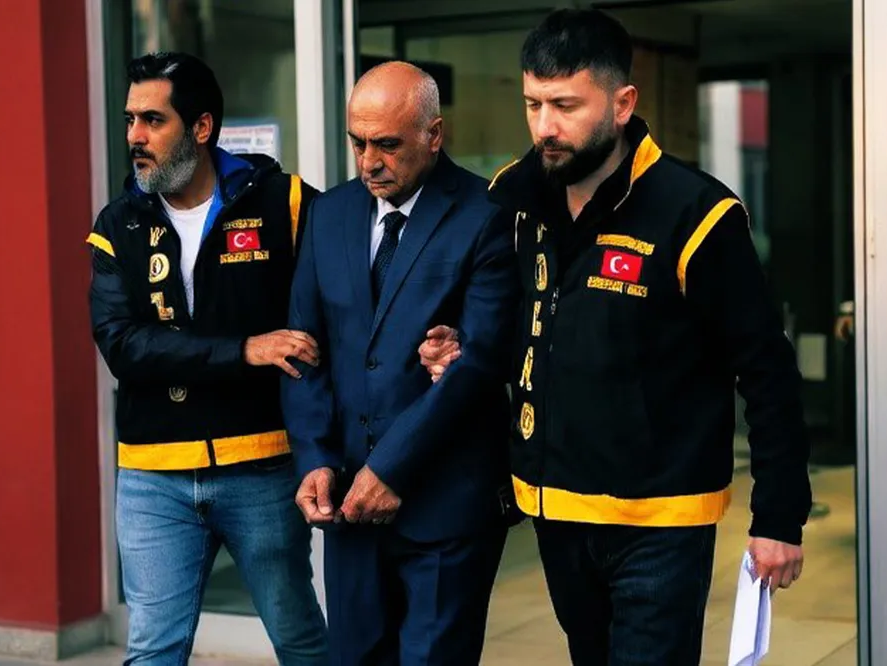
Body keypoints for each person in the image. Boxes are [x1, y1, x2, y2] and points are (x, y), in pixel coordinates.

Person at [420, 10, 812, 666]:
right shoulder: (516, 200)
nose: (545, 126)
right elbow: (527, 325)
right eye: (533, 104)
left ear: (622, 103)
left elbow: (767, 370)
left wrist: (778, 516)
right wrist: (460, 348)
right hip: (555, 507)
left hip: (660, 520)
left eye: (566, 105)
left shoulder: (697, 213)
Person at [86, 52, 328, 665]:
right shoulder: (117, 224)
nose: (135, 136)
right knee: (153, 651)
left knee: (299, 639)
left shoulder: (284, 202)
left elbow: (345, 302)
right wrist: (246, 349)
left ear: (201, 127)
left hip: (262, 466)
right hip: (153, 477)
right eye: (130, 119)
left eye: (153, 120)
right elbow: (123, 345)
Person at [281, 61, 520, 665]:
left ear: (433, 135)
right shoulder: (328, 215)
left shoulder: (487, 215)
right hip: (348, 504)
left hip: (446, 506)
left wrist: (391, 470)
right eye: (357, 143)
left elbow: (478, 364)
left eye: (386, 145)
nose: (368, 162)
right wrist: (314, 457)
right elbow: (304, 350)